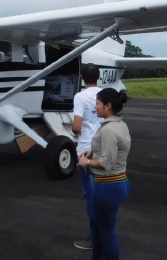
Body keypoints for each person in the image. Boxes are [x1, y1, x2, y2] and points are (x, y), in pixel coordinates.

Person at [76, 88, 131, 260]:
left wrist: (86, 162)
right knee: (99, 231)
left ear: (107, 106)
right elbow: (112, 151)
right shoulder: (119, 124)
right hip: (118, 183)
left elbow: (107, 163)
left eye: (97, 103)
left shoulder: (107, 131)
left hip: (108, 186)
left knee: (106, 234)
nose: (95, 106)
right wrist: (91, 153)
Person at [71, 63, 103, 250]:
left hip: (85, 150)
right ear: (98, 77)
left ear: (82, 77)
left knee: (91, 197)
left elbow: (77, 126)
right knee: (101, 193)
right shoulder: (105, 94)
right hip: (102, 148)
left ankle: (95, 238)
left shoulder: (80, 96)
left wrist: (73, 130)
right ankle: (103, 233)